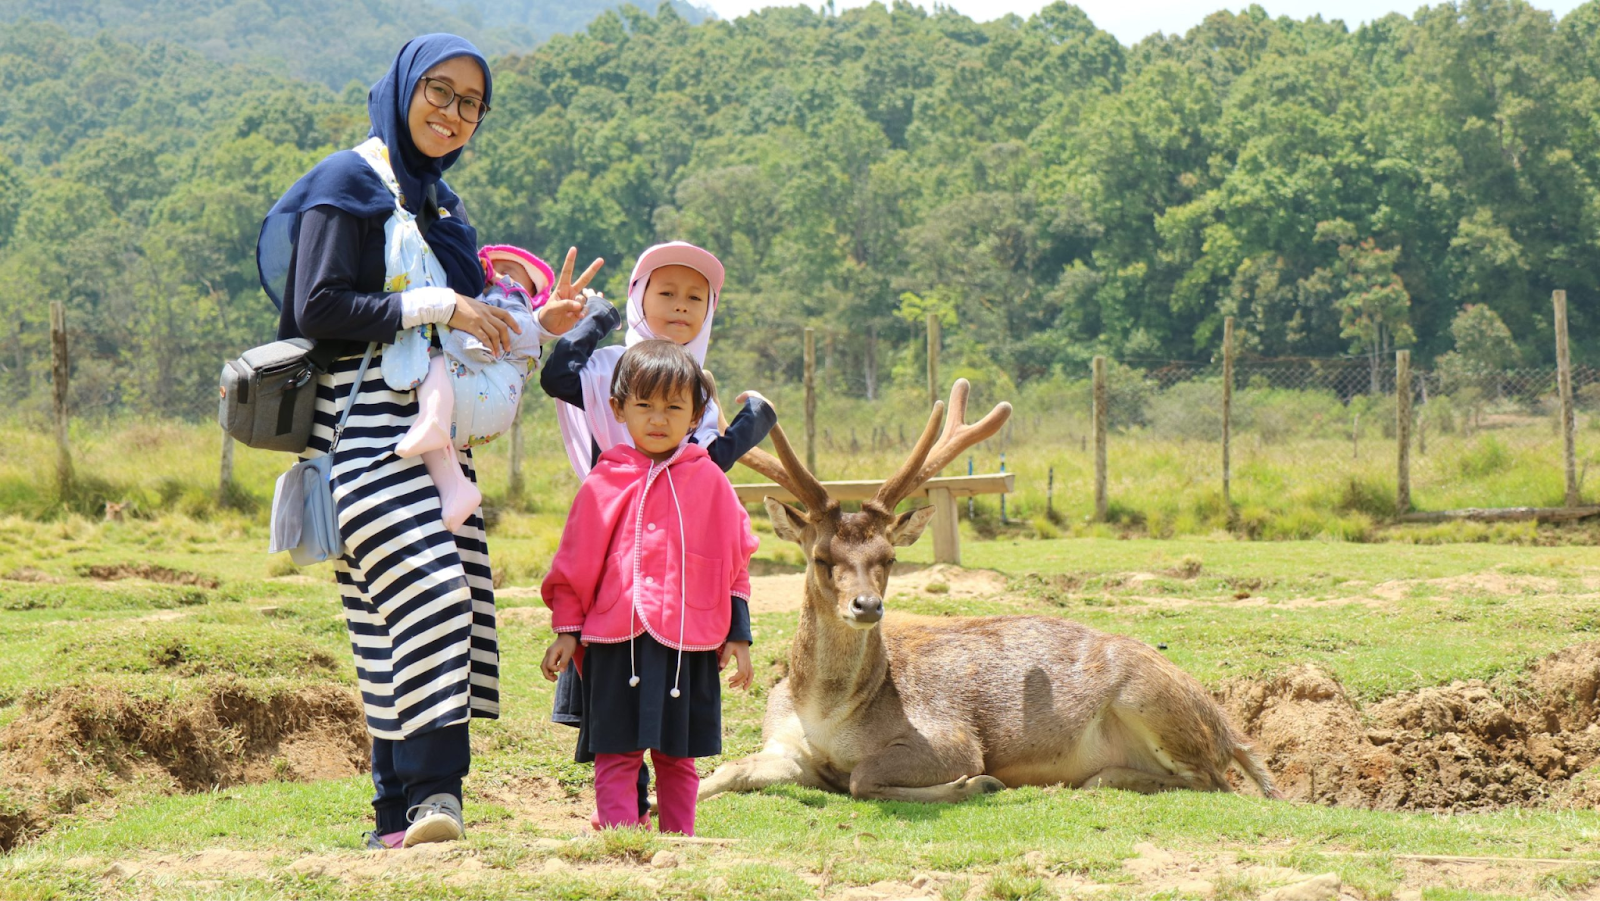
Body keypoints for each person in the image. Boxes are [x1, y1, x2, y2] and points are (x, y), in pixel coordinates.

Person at [255, 33, 591, 850]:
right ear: (403, 89)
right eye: (439, 92)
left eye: (471, 104)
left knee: (407, 621)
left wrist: (533, 325)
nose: (453, 112)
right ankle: (436, 795)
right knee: (430, 598)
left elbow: (471, 333)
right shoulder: (348, 181)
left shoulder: (443, 208)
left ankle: (391, 817)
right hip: (364, 435)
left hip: (441, 448)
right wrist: (436, 305)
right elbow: (320, 308)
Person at [539, 241, 776, 819]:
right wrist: (569, 627)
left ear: (695, 415)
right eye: (665, 291)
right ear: (619, 407)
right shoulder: (606, 445)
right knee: (615, 749)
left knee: (679, 754)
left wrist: (737, 633)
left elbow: (731, 554)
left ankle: (679, 849)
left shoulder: (704, 472)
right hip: (614, 628)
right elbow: (578, 558)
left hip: (687, 635)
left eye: (696, 296)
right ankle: (621, 831)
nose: (679, 305)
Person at [393, 244, 564, 532]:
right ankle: (455, 489)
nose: (498, 276)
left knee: (434, 367)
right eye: (494, 269)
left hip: (486, 399)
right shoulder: (496, 298)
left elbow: (514, 330)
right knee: (432, 437)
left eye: (509, 272)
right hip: (479, 412)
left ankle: (434, 423)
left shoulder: (511, 297)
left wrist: (470, 342)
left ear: (529, 289)